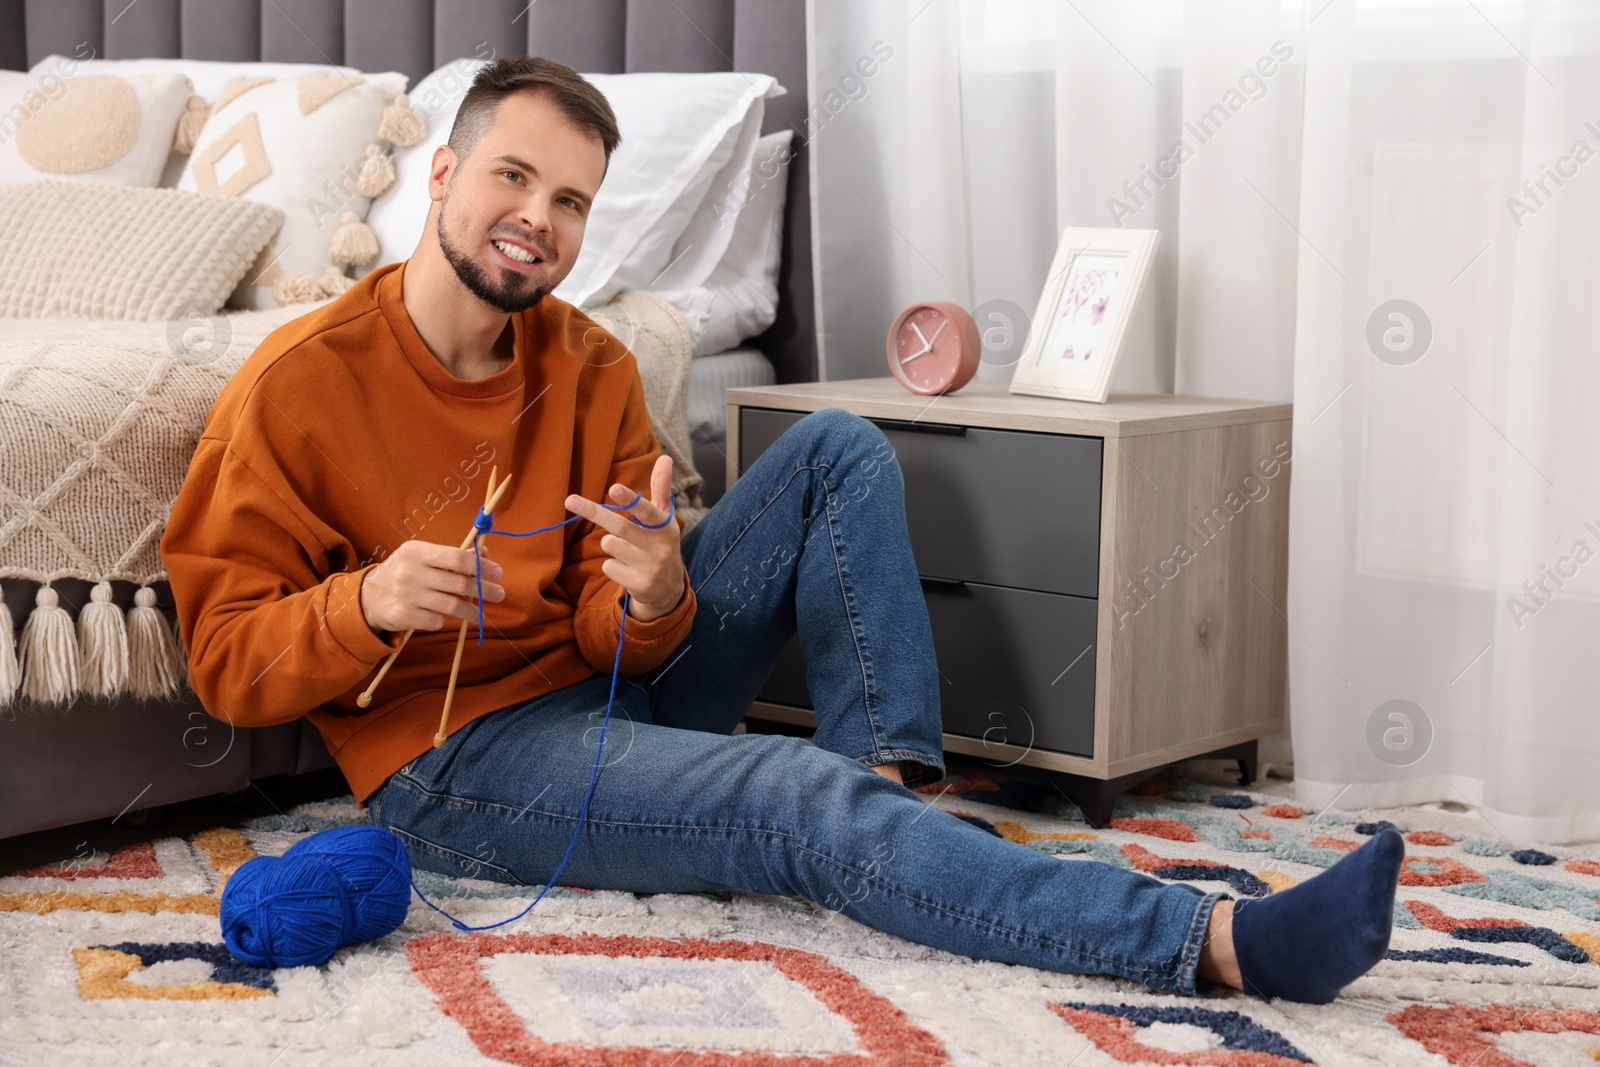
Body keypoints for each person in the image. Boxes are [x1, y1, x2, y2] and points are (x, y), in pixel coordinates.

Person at [162, 56, 1404, 1005]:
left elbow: (628, 643)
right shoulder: (299, 383)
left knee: (834, 449)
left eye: (572, 200)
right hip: (456, 765)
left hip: (603, 698)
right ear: (443, 176)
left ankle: (885, 790)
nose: (538, 217)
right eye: (511, 177)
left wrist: (651, 596)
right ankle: (1216, 942)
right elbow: (224, 658)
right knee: (780, 786)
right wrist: (367, 602)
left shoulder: (589, 365)